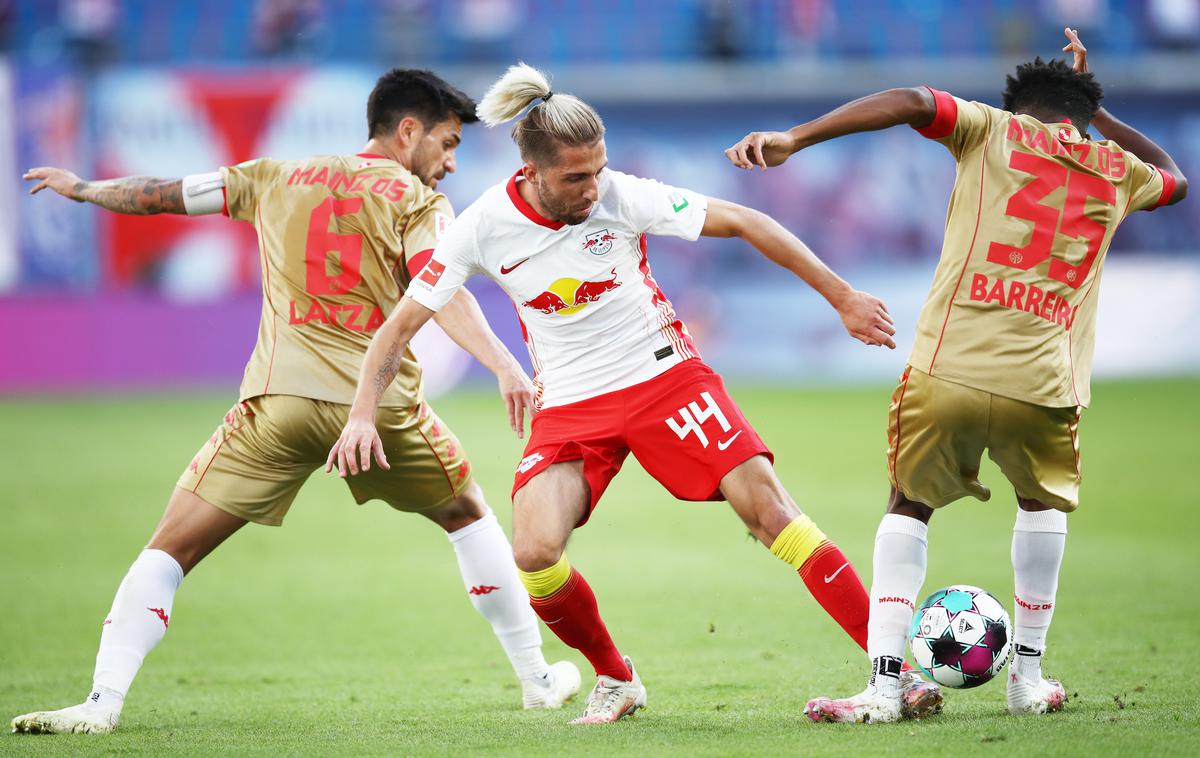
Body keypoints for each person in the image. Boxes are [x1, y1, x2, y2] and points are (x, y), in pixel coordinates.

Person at [327, 63, 942, 725]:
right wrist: (362, 413)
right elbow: (399, 329)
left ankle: (895, 674)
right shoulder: (480, 227)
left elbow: (745, 220)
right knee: (533, 555)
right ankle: (617, 679)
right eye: (575, 178)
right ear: (531, 173)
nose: (594, 189)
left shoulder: (620, 195)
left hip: (664, 380)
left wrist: (842, 296)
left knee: (770, 513)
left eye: (598, 170)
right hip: (569, 404)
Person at [12, 68, 580, 736]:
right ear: (408, 131)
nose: (451, 163)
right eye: (448, 143)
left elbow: (165, 194)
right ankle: (539, 680)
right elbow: (441, 286)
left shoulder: (275, 175)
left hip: (275, 403)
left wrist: (82, 188)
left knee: (169, 550)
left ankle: (101, 702)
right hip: (378, 411)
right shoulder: (416, 201)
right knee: (468, 513)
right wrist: (505, 365)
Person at [725, 28, 1187, 723]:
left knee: (908, 504)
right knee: (1042, 508)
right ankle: (1027, 682)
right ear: (1081, 118)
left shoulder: (992, 129)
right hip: (1045, 383)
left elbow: (913, 99)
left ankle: (884, 688)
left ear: (1019, 105)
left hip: (950, 368)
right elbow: (1175, 178)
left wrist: (796, 136)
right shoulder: (1118, 169)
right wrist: (1102, 112)